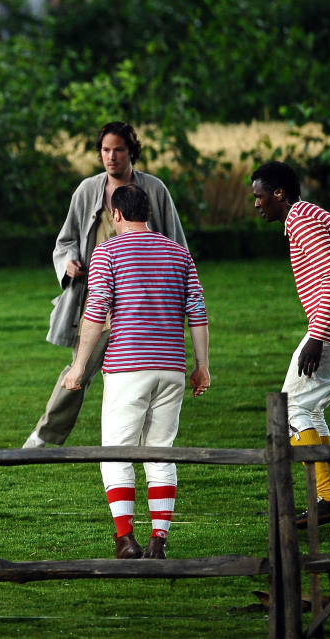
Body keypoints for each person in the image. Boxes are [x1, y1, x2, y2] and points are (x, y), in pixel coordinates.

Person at [62, 184, 210, 560]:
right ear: (148, 213)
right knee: (162, 454)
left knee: (117, 453)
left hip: (128, 367)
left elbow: (96, 311)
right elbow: (197, 312)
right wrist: (201, 367)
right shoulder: (179, 254)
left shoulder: (107, 251)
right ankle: (159, 540)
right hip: (172, 367)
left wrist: (78, 367)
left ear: (115, 215)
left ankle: (126, 539)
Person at [23, 121, 187, 449]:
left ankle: (143, 441)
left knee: (141, 374)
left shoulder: (155, 190)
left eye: (119, 149)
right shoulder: (87, 190)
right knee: (79, 371)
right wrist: (68, 263)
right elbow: (66, 239)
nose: (111, 157)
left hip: (142, 304)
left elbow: (177, 245)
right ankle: (43, 435)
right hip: (98, 299)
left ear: (132, 152)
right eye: (105, 150)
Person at [251, 161, 330, 528]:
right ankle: (327, 498)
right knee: (311, 407)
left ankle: (328, 500)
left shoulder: (302, 222)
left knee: (291, 408)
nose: (256, 204)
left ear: (279, 194)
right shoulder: (315, 213)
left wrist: (318, 337)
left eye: (259, 196)